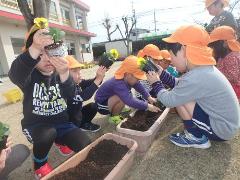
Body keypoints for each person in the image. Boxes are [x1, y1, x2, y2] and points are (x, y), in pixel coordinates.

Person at [8, 18, 91, 178]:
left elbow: (72, 98)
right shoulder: (29, 75)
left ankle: (61, 141)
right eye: (40, 54)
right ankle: (40, 163)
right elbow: (15, 75)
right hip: (36, 126)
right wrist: (35, 46)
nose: (47, 59)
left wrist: (66, 75)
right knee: (47, 134)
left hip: (62, 123)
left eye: (51, 52)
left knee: (85, 144)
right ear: (32, 55)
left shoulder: (61, 72)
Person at [147, 25, 240, 149]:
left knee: (177, 97)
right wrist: (161, 73)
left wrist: (156, 83)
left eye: (172, 56)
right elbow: (181, 85)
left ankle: (197, 138)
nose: (172, 61)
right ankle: (196, 134)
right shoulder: (203, 70)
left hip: (222, 130)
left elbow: (169, 100)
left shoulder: (197, 76)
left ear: (184, 51)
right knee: (180, 95)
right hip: (227, 125)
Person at [95, 55, 160, 124]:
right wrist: (147, 106)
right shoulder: (117, 83)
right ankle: (113, 117)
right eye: (137, 78)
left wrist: (148, 97)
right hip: (101, 105)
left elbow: (138, 86)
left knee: (125, 96)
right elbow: (130, 100)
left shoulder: (127, 78)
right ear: (128, 74)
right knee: (123, 98)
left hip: (109, 100)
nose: (139, 80)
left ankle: (119, 107)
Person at [66, 55, 106, 132]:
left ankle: (83, 124)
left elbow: (91, 82)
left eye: (79, 70)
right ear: (63, 73)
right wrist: (97, 80)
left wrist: (100, 75)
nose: (79, 74)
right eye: (75, 71)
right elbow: (85, 96)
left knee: (93, 106)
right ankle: (76, 128)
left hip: (77, 113)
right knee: (75, 117)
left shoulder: (77, 82)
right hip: (69, 120)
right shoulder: (64, 88)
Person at [209, 26, 240, 101]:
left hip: (234, 91)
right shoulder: (222, 56)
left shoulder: (231, 57)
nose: (213, 47)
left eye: (215, 44)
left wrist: (216, 75)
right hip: (228, 88)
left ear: (225, 43)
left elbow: (234, 78)